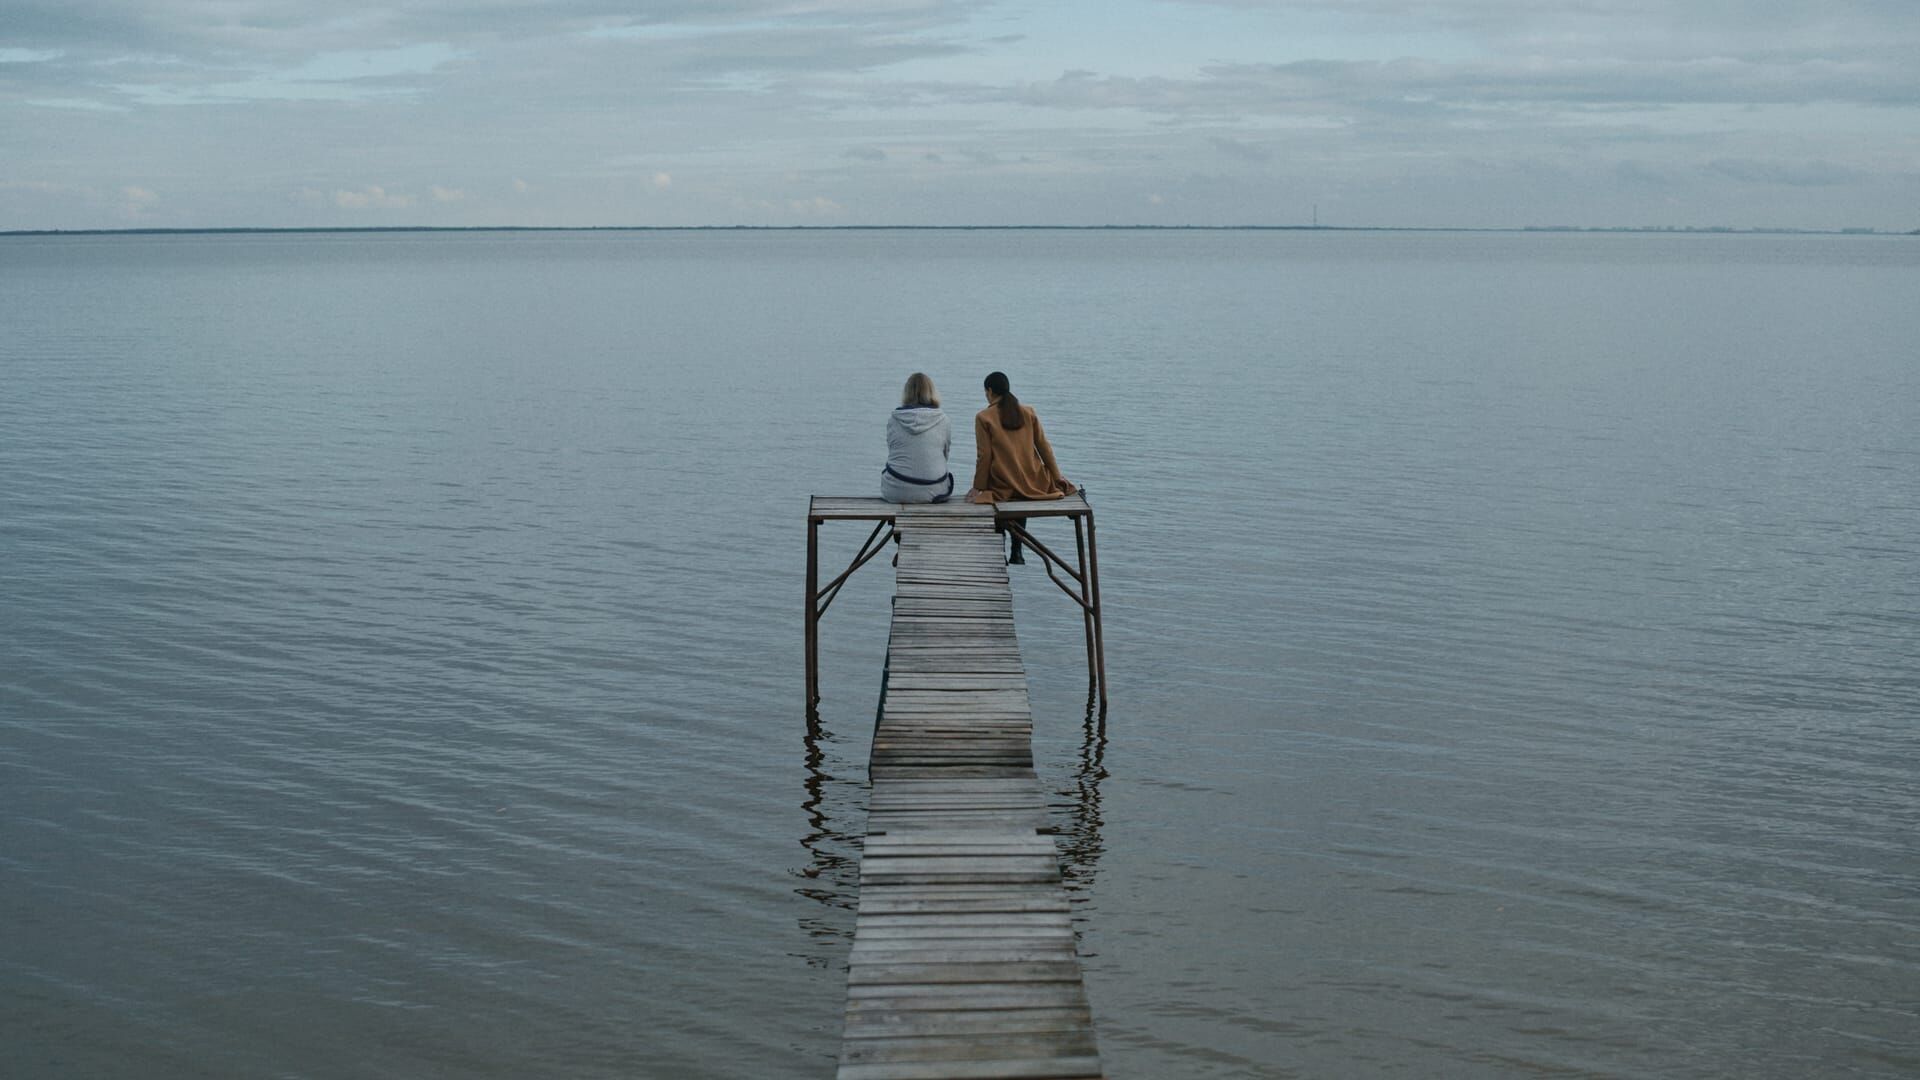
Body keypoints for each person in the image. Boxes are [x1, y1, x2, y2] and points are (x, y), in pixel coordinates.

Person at [966, 371, 1075, 563]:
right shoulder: (1028, 412)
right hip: (1033, 481)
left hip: (1004, 482)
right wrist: (1057, 477)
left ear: (990, 391)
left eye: (985, 392)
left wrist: (979, 487)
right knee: (1021, 490)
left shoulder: (983, 417)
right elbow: (1044, 448)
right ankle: (1017, 548)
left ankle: (1000, 548)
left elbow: (985, 456)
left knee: (998, 491)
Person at [880, 372, 954, 503]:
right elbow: (945, 456)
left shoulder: (894, 420)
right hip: (935, 491)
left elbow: (893, 451)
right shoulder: (943, 420)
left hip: (896, 490)